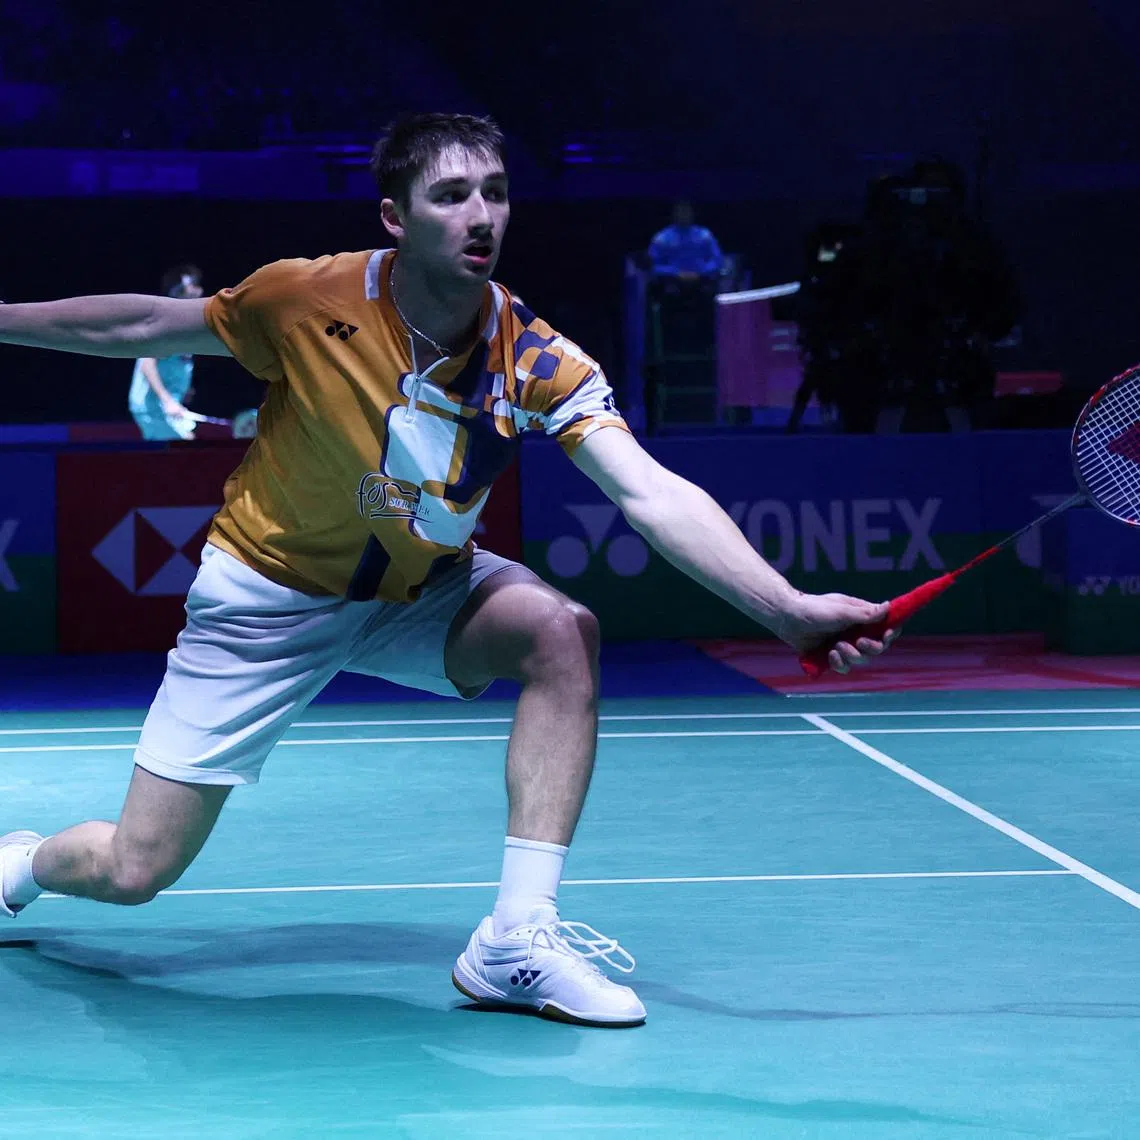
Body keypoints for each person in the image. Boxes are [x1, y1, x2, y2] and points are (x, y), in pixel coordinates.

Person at [0, 113, 894, 1029]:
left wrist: (784, 608)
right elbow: (144, 322)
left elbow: (650, 493)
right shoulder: (307, 301)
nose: (481, 216)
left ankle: (515, 939)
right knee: (133, 870)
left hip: (417, 588)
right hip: (266, 599)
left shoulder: (534, 358)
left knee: (560, 631)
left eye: (496, 193)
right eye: (452, 195)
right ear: (396, 215)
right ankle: (19, 867)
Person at [127, 264, 205, 440]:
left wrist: (182, 388)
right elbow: (147, 365)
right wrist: (167, 400)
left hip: (168, 407)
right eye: (190, 285)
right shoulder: (164, 324)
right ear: (175, 292)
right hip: (153, 408)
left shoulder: (185, 326)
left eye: (196, 284)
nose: (197, 290)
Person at [647, 199, 725, 288]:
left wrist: (700, 273)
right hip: (671, 284)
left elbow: (717, 261)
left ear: (692, 213)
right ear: (674, 213)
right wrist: (675, 273)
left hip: (701, 282)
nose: (683, 214)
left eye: (686, 211)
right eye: (680, 211)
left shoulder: (705, 235)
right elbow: (653, 266)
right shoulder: (662, 238)